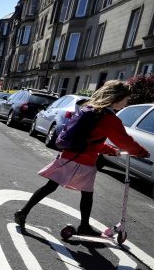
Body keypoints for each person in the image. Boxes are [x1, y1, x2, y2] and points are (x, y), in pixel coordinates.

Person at [14, 80, 150, 235]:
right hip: (82, 161)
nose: (126, 103)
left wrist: (110, 150)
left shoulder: (91, 109)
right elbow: (125, 142)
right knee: (86, 193)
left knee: (53, 187)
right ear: (117, 98)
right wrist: (142, 152)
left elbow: (91, 140)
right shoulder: (109, 118)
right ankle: (83, 226)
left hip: (70, 155)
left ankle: (23, 212)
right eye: (126, 99)